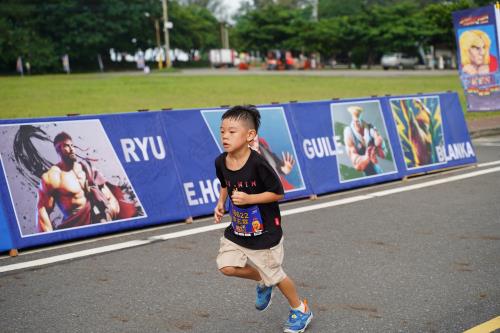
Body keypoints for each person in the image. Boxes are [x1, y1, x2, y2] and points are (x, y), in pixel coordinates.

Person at [214, 105, 313, 333]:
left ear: (250, 136)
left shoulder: (259, 164)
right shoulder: (221, 161)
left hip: (265, 233)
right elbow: (224, 184)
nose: (225, 137)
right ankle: (263, 279)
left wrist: (249, 199)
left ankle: (301, 309)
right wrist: (220, 203)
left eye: (232, 131)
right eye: (222, 131)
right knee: (226, 267)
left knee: (276, 275)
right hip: (238, 229)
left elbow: (278, 193)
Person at [36, 132, 120, 232]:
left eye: (72, 145)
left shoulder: (88, 169)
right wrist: (48, 241)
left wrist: (110, 214)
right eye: (67, 146)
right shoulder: (52, 177)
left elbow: (109, 197)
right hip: (78, 229)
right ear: (58, 149)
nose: (72, 149)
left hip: (103, 223)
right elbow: (42, 210)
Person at [343, 105, 387, 176]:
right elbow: (357, 165)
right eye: (355, 122)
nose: (357, 124)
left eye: (358, 121)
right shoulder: (349, 133)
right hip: (365, 175)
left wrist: (378, 147)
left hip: (378, 170)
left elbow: (383, 155)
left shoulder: (371, 128)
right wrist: (367, 157)